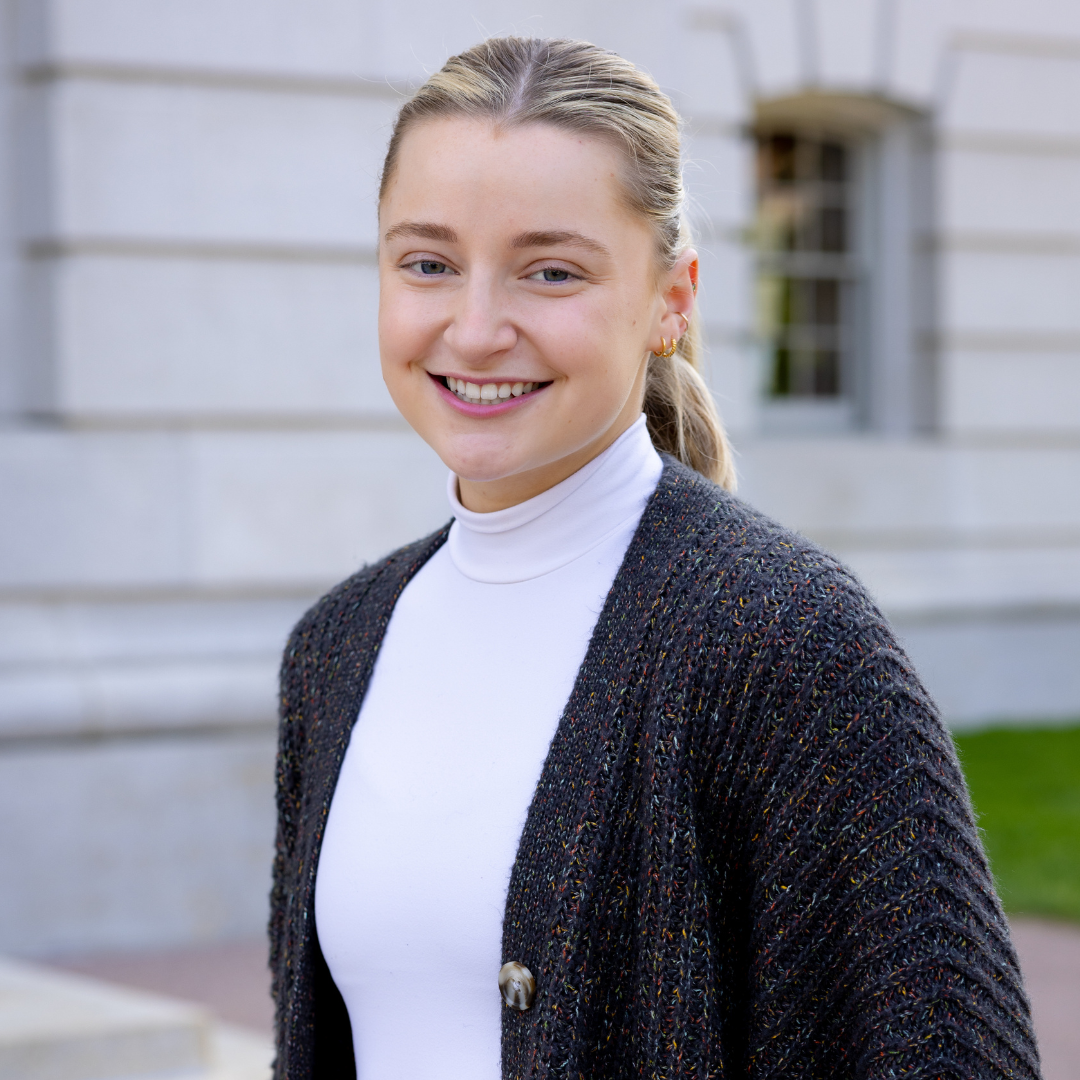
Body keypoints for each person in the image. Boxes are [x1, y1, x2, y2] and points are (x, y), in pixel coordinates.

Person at [270, 36, 1039, 1080]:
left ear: (670, 298)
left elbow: (940, 1051)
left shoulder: (786, 639)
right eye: (429, 264)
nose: (477, 326)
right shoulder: (337, 647)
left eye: (551, 270)